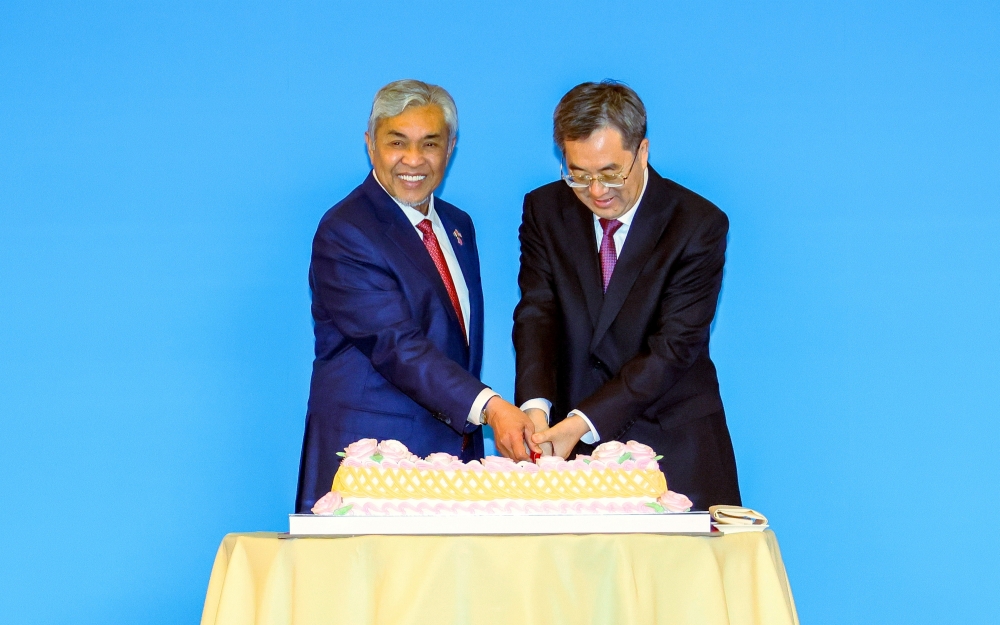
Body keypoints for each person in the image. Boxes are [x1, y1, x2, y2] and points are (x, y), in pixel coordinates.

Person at [296, 80, 540, 513]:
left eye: (430, 143)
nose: (414, 160)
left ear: (451, 147)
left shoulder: (457, 225)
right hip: (370, 467)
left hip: (451, 462)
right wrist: (490, 407)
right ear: (371, 145)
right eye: (397, 143)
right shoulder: (346, 231)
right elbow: (396, 345)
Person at [514, 81, 741, 510]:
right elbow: (536, 314)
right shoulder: (545, 210)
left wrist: (580, 423)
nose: (596, 191)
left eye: (610, 172)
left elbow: (674, 349)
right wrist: (536, 409)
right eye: (578, 174)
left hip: (674, 449)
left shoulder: (697, 224)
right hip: (569, 454)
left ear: (643, 151)